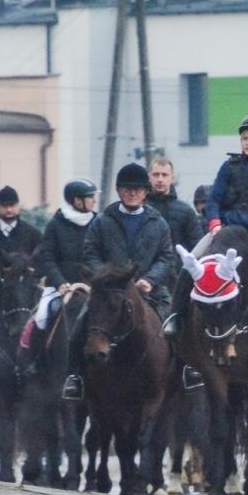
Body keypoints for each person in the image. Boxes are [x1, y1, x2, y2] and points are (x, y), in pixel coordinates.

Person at [164, 112, 248, 338]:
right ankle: (176, 316)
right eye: (245, 138)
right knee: (193, 260)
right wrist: (215, 223)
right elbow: (214, 200)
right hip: (225, 231)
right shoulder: (228, 167)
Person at [62, 163, 177, 401]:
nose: (132, 193)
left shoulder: (158, 223)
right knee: (80, 325)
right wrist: (104, 277)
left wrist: (150, 279)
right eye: (127, 189)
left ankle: (185, 373)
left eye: (137, 189)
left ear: (146, 192)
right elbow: (90, 252)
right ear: (118, 191)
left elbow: (167, 256)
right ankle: (75, 378)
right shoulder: (103, 221)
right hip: (109, 292)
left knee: (176, 325)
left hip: (149, 290)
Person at [21, 178, 99, 377]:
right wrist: (60, 282)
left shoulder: (99, 222)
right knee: (42, 315)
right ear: (76, 201)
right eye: (90, 197)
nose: (94, 201)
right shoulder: (56, 225)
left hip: (91, 286)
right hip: (60, 286)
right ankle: (36, 360)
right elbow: (46, 257)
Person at [147, 155, 203, 256]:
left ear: (172, 178)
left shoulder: (186, 212)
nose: (160, 179)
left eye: (164, 175)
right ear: (149, 177)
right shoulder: (140, 208)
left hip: (177, 269)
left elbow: (197, 246)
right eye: (156, 175)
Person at [0, 185, 42, 286]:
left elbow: (43, 259)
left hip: (24, 290)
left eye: (12, 205)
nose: (9, 210)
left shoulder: (32, 234)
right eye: (5, 206)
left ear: (18, 206)